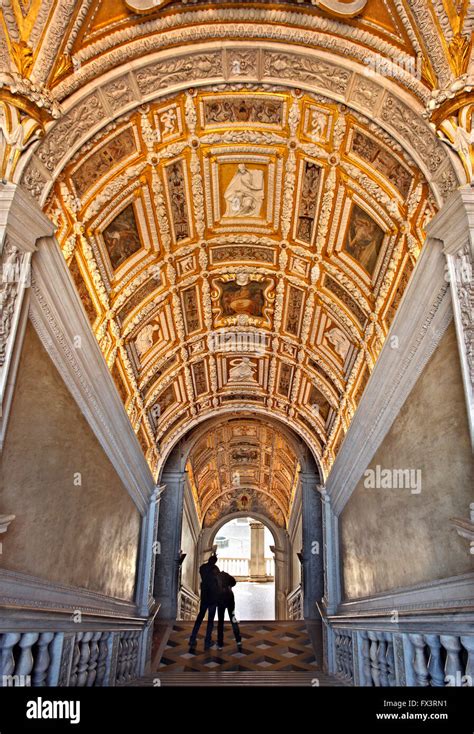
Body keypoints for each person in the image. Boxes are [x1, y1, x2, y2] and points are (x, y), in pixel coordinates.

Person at [189, 554, 220, 652]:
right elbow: (218, 583)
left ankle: (192, 638)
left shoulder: (203, 568)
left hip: (204, 597)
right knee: (210, 621)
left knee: (199, 618)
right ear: (214, 561)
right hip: (212, 599)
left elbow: (202, 574)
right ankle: (207, 641)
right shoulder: (215, 569)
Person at [216, 570, 242, 651]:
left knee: (220, 622)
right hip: (230, 599)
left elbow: (213, 589)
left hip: (220, 600)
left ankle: (220, 643)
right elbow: (234, 582)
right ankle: (238, 640)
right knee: (233, 618)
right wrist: (229, 586)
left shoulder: (216, 577)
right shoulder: (226, 575)